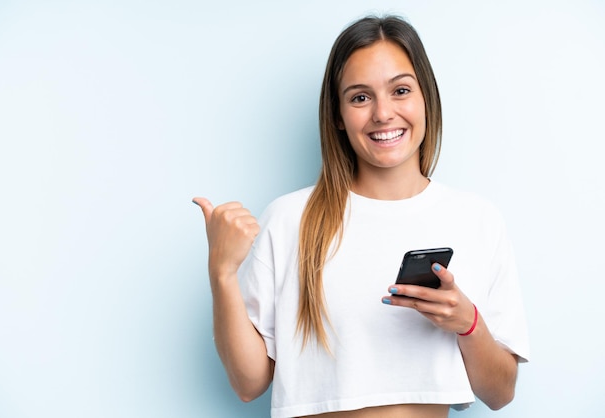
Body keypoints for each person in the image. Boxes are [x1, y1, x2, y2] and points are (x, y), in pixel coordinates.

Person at [193, 14, 529, 418]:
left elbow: (500, 393)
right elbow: (248, 384)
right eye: (360, 97)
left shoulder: (478, 220)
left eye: (400, 90)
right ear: (337, 115)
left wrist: (467, 323)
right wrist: (221, 272)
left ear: (426, 98)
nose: (383, 113)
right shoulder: (288, 220)